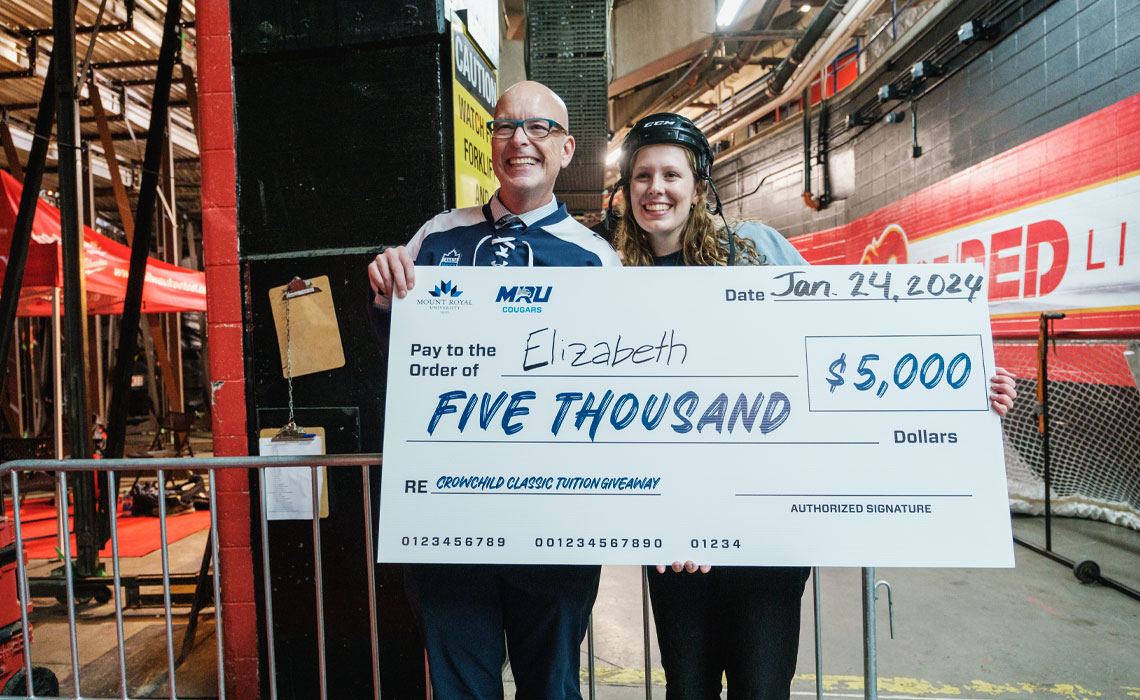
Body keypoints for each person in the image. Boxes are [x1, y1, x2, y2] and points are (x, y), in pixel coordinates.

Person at [610, 112, 1018, 699]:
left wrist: (960, 387)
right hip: (677, 545)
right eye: (642, 176)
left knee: (763, 687)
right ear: (626, 190)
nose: (656, 189)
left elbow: (842, 344)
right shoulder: (609, 276)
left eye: (670, 174)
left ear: (699, 185)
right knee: (686, 690)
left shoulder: (756, 250)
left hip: (766, 532)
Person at [367, 81, 620, 699]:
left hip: (554, 524)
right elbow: (398, 359)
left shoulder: (595, 260)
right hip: (450, 523)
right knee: (458, 689)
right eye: (506, 126)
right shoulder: (436, 238)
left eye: (538, 128)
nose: (520, 140)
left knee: (551, 686)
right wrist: (385, 286)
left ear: (566, 149)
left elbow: (619, 395)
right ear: (490, 144)